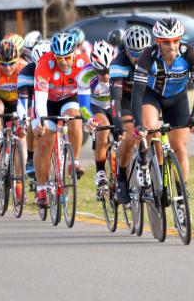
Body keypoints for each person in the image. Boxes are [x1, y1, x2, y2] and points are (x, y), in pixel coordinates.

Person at [130, 17, 194, 202]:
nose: (171, 46)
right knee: (149, 125)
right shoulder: (147, 56)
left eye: (175, 40)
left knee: (180, 147)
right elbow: (137, 93)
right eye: (166, 42)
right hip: (152, 96)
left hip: (178, 98)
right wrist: (139, 124)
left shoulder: (190, 54)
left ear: (180, 39)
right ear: (158, 41)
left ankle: (182, 191)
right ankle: (143, 158)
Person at [32, 32, 89, 206]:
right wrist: (41, 121)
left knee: (75, 118)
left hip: (69, 97)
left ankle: (75, 162)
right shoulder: (45, 63)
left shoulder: (83, 61)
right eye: (59, 58)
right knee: (44, 142)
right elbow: (40, 99)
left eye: (67, 57)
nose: (63, 62)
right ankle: (41, 189)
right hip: (48, 100)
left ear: (75, 53)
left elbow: (85, 97)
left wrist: (88, 117)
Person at [109, 25, 151, 203]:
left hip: (146, 97)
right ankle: (121, 177)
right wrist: (117, 121)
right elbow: (115, 99)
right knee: (130, 135)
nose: (137, 58)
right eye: (133, 53)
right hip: (125, 99)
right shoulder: (118, 64)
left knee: (154, 130)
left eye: (141, 53)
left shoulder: (155, 59)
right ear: (126, 50)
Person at [76, 40, 116, 194]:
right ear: (94, 68)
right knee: (103, 129)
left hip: (114, 103)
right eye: (101, 72)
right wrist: (90, 119)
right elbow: (84, 107)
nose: (105, 76)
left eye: (108, 70)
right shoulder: (85, 76)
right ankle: (100, 172)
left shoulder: (120, 69)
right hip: (96, 106)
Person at [16, 40, 51, 176]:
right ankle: (30, 158)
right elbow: (22, 103)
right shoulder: (26, 73)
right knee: (31, 117)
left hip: (50, 95)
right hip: (33, 97)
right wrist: (23, 119)